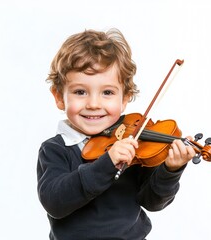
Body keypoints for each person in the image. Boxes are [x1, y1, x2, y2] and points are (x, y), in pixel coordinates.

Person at [37, 28, 196, 240]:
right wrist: (107, 162)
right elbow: (55, 202)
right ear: (59, 97)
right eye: (80, 92)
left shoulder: (135, 143)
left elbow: (152, 202)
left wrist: (170, 170)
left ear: (125, 99)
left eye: (107, 93)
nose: (94, 104)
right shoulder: (55, 149)